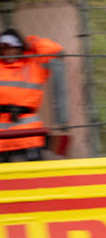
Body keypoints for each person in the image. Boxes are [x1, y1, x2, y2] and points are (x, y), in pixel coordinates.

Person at [0, 27, 64, 160]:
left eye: (13, 47)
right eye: (5, 48)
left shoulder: (33, 63)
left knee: (34, 175)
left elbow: (55, 50)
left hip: (28, 133)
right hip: (2, 133)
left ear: (21, 48)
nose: (9, 52)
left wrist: (32, 42)